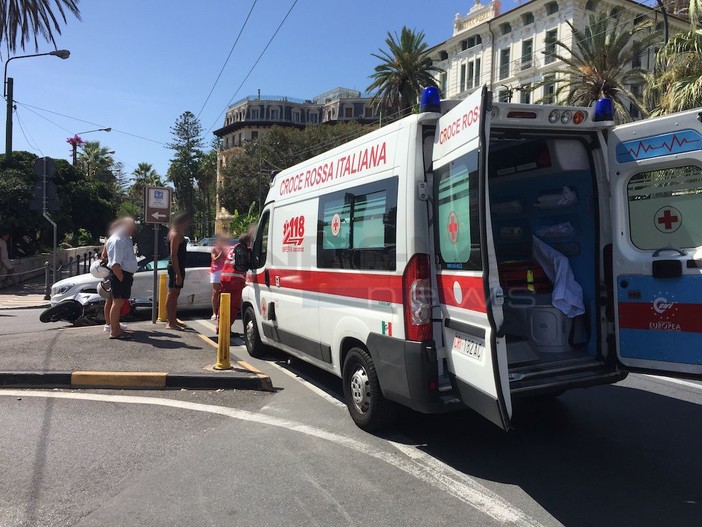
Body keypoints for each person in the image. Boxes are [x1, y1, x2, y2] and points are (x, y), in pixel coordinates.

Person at [105, 217, 138, 339]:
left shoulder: (126, 239)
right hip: (120, 274)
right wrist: (122, 278)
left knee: (119, 302)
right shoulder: (117, 240)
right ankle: (114, 331)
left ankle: (117, 328)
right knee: (117, 302)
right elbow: (115, 264)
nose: (133, 229)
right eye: (131, 226)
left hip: (125, 274)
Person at [217, 227, 254, 335]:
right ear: (248, 241)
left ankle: (220, 327)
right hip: (235, 280)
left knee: (223, 304)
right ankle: (226, 329)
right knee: (232, 307)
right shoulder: (244, 250)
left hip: (225, 278)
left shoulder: (233, 247)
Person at [99, 220, 128, 334]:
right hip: (112, 271)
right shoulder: (114, 241)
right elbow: (104, 257)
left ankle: (112, 323)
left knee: (112, 299)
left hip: (110, 271)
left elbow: (103, 257)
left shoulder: (110, 241)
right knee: (112, 299)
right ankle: (110, 324)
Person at [166, 213, 189, 330]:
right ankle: (170, 322)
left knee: (176, 294)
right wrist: (178, 273)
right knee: (172, 294)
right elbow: (173, 254)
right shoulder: (175, 234)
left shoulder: (176, 233)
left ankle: (173, 319)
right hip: (176, 267)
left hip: (179, 267)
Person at [209, 237, 227, 321]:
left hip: (224, 271)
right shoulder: (214, 249)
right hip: (215, 271)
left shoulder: (227, 249)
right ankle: (214, 313)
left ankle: (222, 311)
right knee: (215, 292)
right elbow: (215, 260)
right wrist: (221, 254)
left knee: (223, 291)